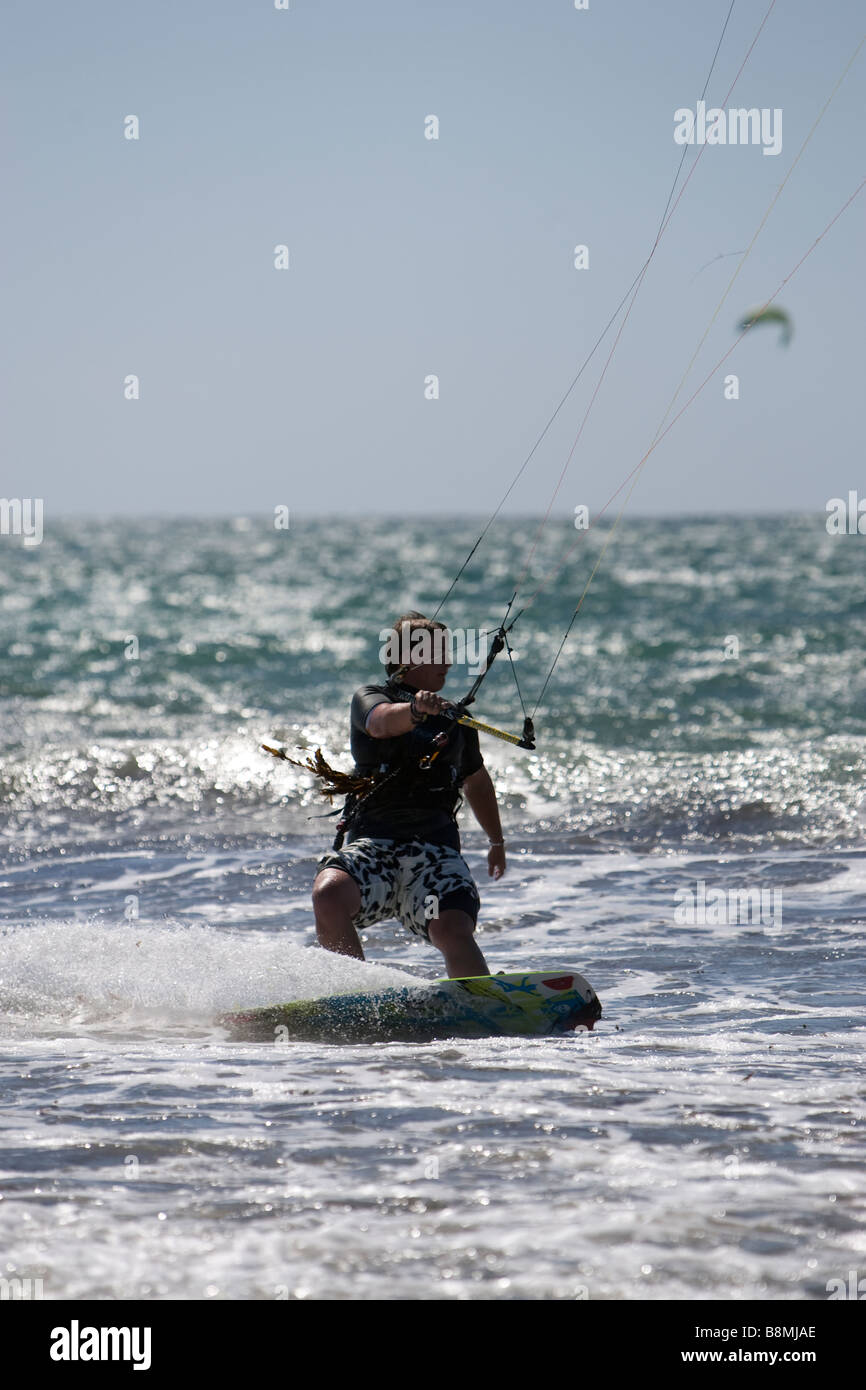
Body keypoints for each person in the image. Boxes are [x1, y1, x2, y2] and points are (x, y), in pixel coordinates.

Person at [312, 613, 506, 978]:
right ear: (409, 658)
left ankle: (481, 1002)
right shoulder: (369, 698)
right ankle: (352, 997)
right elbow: (381, 723)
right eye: (438, 654)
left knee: (450, 927)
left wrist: (496, 840)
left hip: (434, 859)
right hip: (374, 851)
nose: (448, 662)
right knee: (329, 894)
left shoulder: (455, 719)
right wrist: (416, 710)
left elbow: (476, 780)